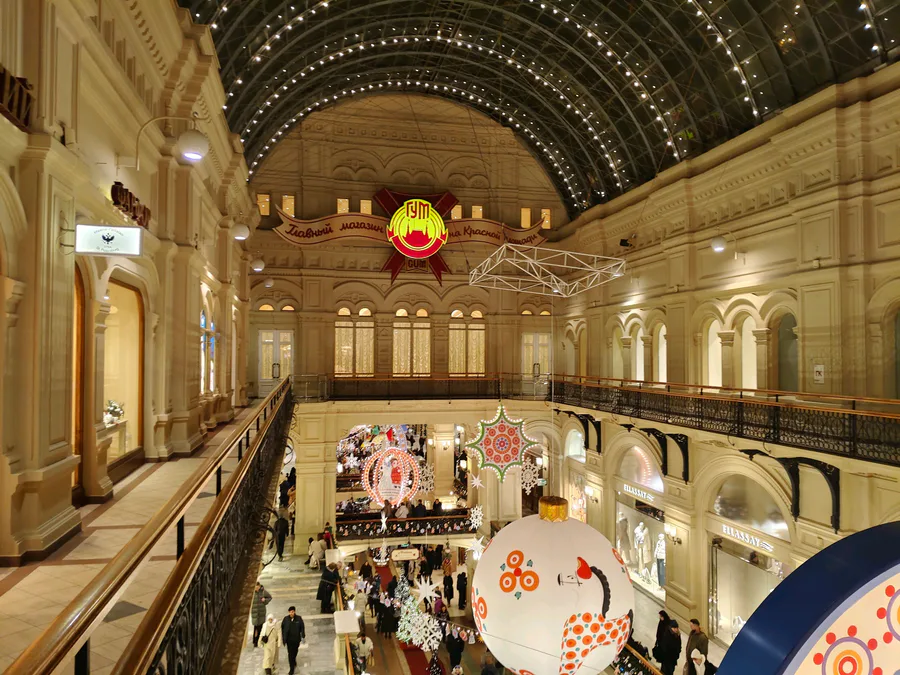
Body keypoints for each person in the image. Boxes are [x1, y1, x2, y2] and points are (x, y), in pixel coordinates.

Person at [281, 605, 306, 675]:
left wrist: (303, 636)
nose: (291, 613)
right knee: (290, 654)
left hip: (296, 639)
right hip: (289, 640)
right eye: (290, 612)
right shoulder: (286, 619)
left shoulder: (299, 618)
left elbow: (302, 627)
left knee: (295, 652)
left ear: (294, 612)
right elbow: (282, 628)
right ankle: (291, 668)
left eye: (292, 612)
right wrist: (283, 638)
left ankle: (293, 660)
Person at [250, 581, 272, 647]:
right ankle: (255, 641)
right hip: (254, 613)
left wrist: (265, 600)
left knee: (261, 628)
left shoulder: (263, 592)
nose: (256, 588)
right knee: (256, 628)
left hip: (261, 613)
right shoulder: (252, 593)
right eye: (255, 587)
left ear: (259, 586)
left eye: (257, 587)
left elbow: (270, 597)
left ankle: (259, 641)